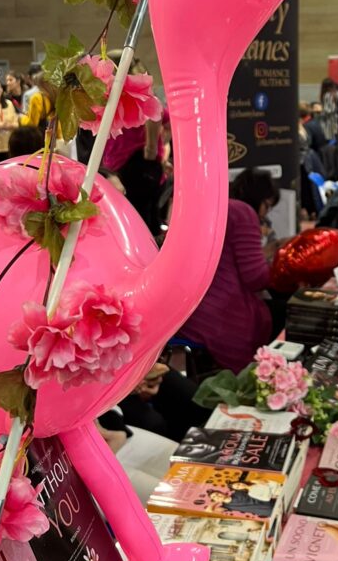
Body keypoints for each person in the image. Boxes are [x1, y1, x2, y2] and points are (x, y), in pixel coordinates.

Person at [177, 169, 280, 372]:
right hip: (220, 316)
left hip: (189, 312)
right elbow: (255, 277)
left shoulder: (213, 208)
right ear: (259, 198)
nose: (265, 214)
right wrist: (280, 267)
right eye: (267, 205)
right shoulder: (243, 213)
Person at [102, 59, 165, 235]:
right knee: (135, 219)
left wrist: (152, 152)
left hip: (137, 164)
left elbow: (157, 117)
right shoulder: (116, 97)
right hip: (123, 164)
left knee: (140, 221)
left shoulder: (138, 95)